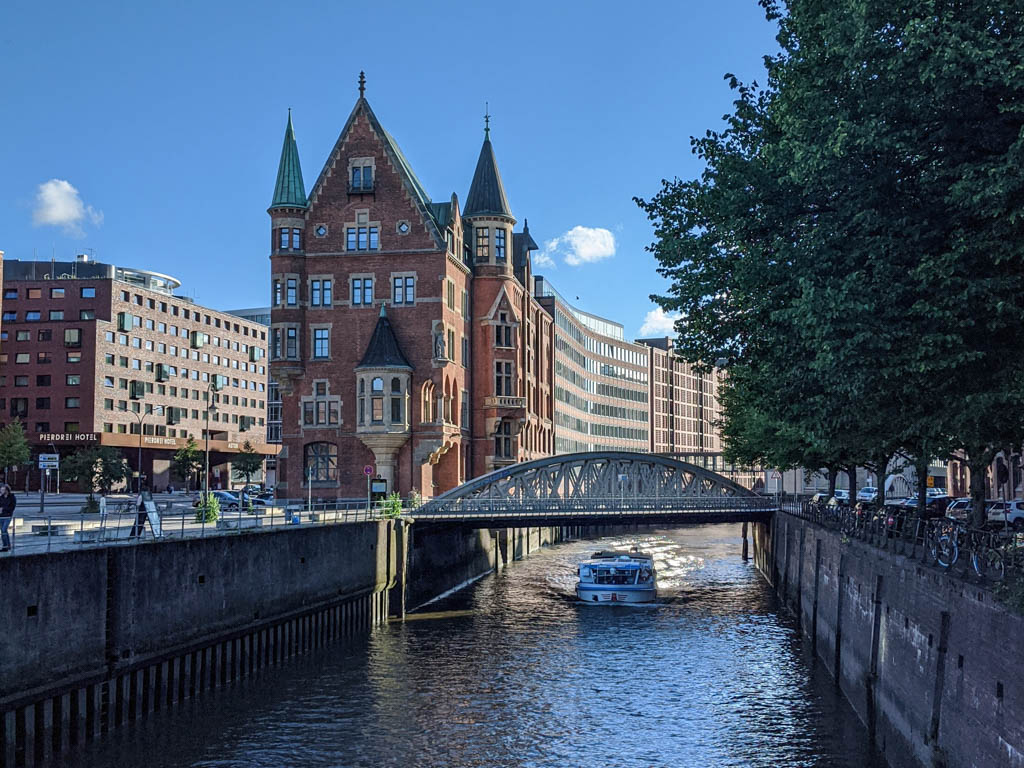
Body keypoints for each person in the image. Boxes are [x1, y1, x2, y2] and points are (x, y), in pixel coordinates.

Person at [0, 484, 15, 552]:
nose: (1, 491)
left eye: (2, 490)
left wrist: (3, 509)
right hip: (1, 516)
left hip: (8, 516)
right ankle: (8, 545)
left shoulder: (12, 497)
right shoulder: (1, 497)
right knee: (4, 531)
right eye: (1, 489)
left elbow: (12, 507)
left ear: (6, 490)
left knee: (3, 530)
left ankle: (5, 547)